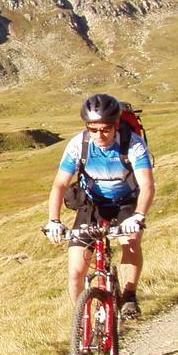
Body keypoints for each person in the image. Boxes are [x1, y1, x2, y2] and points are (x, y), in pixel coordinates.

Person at [45, 93, 155, 318]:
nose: (99, 135)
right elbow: (59, 185)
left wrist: (138, 216)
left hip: (126, 203)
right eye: (93, 129)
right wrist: (54, 221)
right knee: (76, 272)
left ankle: (129, 296)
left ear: (116, 124)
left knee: (130, 242)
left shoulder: (133, 144)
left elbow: (147, 185)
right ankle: (82, 321)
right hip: (92, 204)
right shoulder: (79, 144)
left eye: (105, 129)